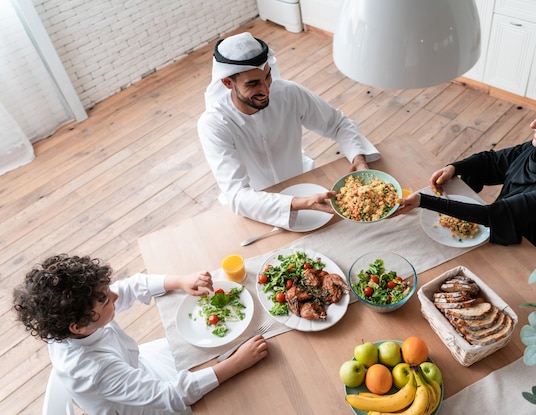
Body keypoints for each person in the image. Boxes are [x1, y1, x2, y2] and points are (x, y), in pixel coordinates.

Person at [13, 254, 268, 414]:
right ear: (77, 326)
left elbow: (129, 287)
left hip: (137, 365)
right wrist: (236, 364)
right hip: (140, 406)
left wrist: (179, 281)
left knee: (206, 349)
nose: (115, 295)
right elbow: (172, 395)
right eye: (105, 300)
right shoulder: (94, 369)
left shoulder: (77, 320)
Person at [395, 84, 536, 261]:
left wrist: (424, 200)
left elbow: (494, 214)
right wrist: (456, 168)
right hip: (499, 234)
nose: (533, 124)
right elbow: (494, 161)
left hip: (532, 258)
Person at [197, 32, 381, 229]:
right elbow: (237, 195)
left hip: (304, 183)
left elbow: (338, 124)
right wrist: (302, 203)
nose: (266, 90)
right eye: (252, 83)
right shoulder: (214, 124)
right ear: (227, 83)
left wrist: (358, 158)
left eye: (267, 76)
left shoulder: (289, 94)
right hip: (256, 209)